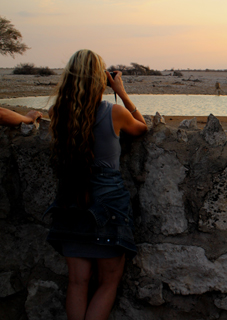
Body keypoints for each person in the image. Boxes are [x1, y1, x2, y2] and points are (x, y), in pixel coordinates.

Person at [43, 49, 147, 320]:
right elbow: (142, 127)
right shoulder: (114, 112)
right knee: (108, 281)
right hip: (108, 203)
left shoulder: (57, 113)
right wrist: (121, 92)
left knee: (77, 282)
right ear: (101, 79)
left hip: (71, 200)